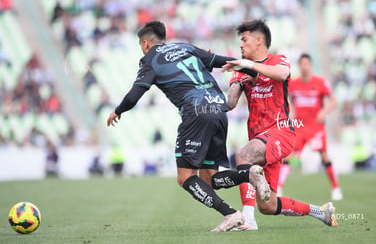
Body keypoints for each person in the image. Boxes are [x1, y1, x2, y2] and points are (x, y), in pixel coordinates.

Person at [107, 20, 257, 232]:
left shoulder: (150, 60)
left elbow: (135, 94)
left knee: (185, 177)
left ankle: (231, 214)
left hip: (196, 112)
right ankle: (249, 174)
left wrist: (118, 110)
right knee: (210, 178)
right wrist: (253, 70)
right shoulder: (185, 47)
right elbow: (222, 61)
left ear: (146, 44)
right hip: (218, 109)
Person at [211, 20, 338, 230]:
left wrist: (248, 66)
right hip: (259, 140)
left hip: (281, 133)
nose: (240, 45)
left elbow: (281, 74)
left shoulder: (278, 60)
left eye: (244, 39)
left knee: (243, 156)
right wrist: (236, 79)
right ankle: (322, 212)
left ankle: (248, 220)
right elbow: (231, 103)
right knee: (268, 206)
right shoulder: (241, 69)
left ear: (259, 40)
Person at [277, 53, 343, 201]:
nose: (305, 66)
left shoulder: (320, 82)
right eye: (302, 64)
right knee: (291, 157)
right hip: (299, 127)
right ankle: (279, 186)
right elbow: (287, 100)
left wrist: (324, 111)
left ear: (310, 65)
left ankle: (335, 188)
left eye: (307, 64)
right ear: (299, 66)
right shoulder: (293, 83)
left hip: (315, 127)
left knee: (324, 156)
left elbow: (334, 101)